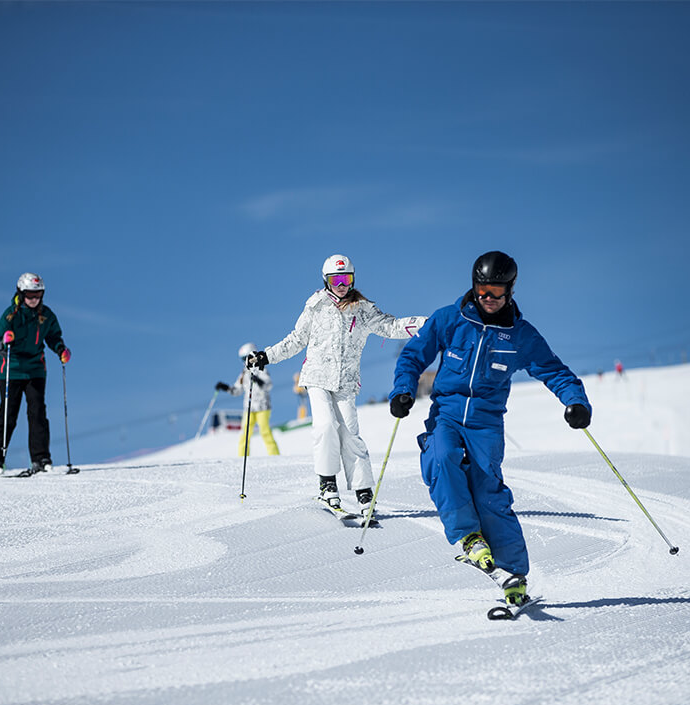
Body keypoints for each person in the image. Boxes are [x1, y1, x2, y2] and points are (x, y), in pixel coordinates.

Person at [388, 251, 591, 609]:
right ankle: (469, 538)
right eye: (483, 292)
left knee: (488, 491)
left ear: (510, 291)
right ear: (474, 286)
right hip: (447, 413)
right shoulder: (450, 319)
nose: (489, 300)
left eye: (497, 293)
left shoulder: (520, 336)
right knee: (440, 456)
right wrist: (403, 389)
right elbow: (413, 355)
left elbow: (554, 371)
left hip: (486, 421)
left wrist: (575, 402)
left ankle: (513, 575)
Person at [246, 254, 428, 515]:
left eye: (346, 279)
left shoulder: (363, 310)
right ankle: (327, 484)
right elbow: (296, 340)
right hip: (317, 377)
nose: (342, 285)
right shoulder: (316, 306)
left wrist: (425, 324)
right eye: (336, 280)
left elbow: (391, 327)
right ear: (326, 281)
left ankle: (363, 492)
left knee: (350, 433)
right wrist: (266, 356)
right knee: (325, 425)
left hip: (345, 382)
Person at [0, 273, 70, 474]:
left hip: (35, 370)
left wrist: (61, 349)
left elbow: (54, 337)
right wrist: (6, 341)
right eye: (30, 295)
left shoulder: (46, 315)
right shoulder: (10, 315)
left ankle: (40, 458)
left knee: (37, 413)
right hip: (11, 371)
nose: (34, 299)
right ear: (21, 294)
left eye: (38, 295)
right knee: (8, 415)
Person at [216, 343, 280, 457]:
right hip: (249, 408)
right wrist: (225, 387)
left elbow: (269, 385)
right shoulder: (244, 373)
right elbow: (237, 390)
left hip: (263, 406)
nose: (246, 361)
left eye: (246, 358)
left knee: (265, 431)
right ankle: (242, 457)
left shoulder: (261, 368)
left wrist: (258, 380)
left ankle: (274, 455)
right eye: (243, 359)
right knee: (245, 434)